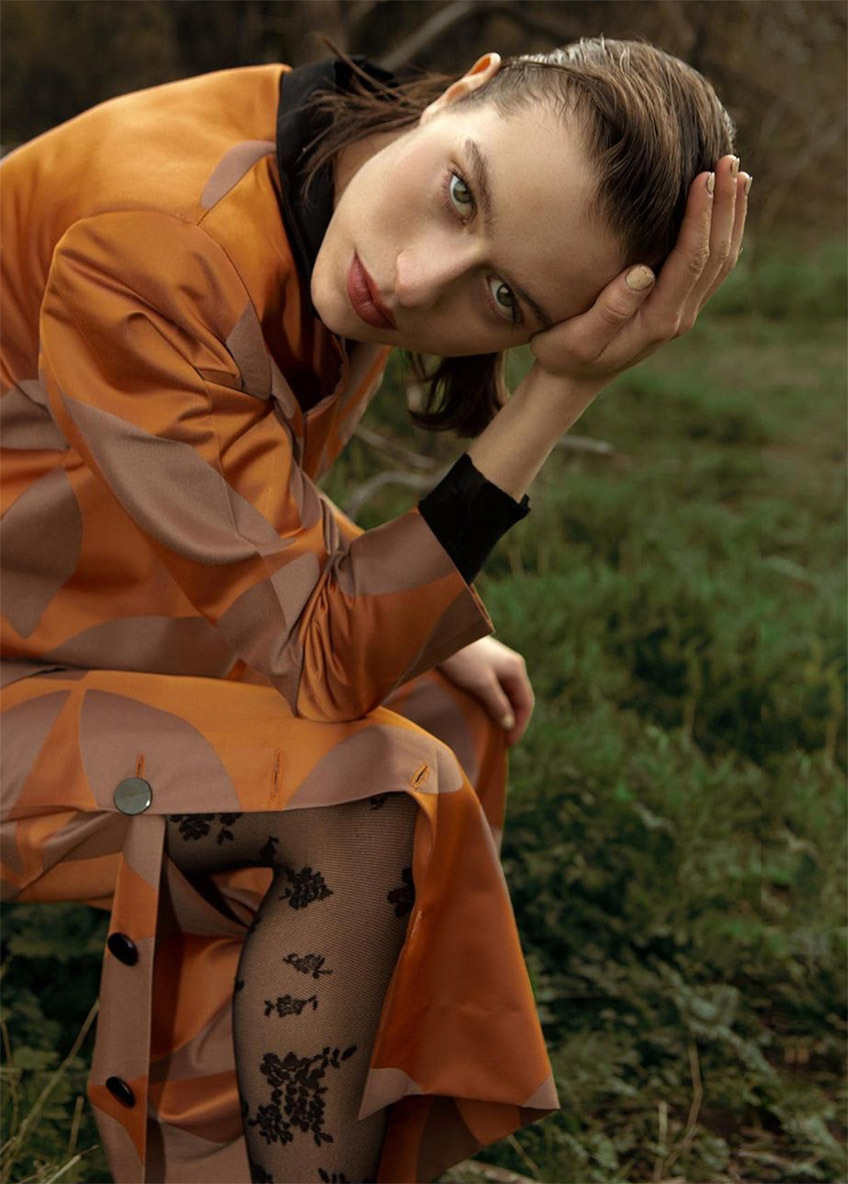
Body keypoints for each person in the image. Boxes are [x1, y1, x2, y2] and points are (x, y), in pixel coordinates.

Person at [0, 35, 749, 1184]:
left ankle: (229, 1147)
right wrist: (559, 388)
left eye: (500, 296)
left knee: (455, 705)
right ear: (463, 88)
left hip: (57, 611)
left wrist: (435, 625)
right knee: (368, 795)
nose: (410, 280)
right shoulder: (157, 240)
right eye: (460, 193)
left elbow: (225, 472)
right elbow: (322, 655)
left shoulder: (315, 166)